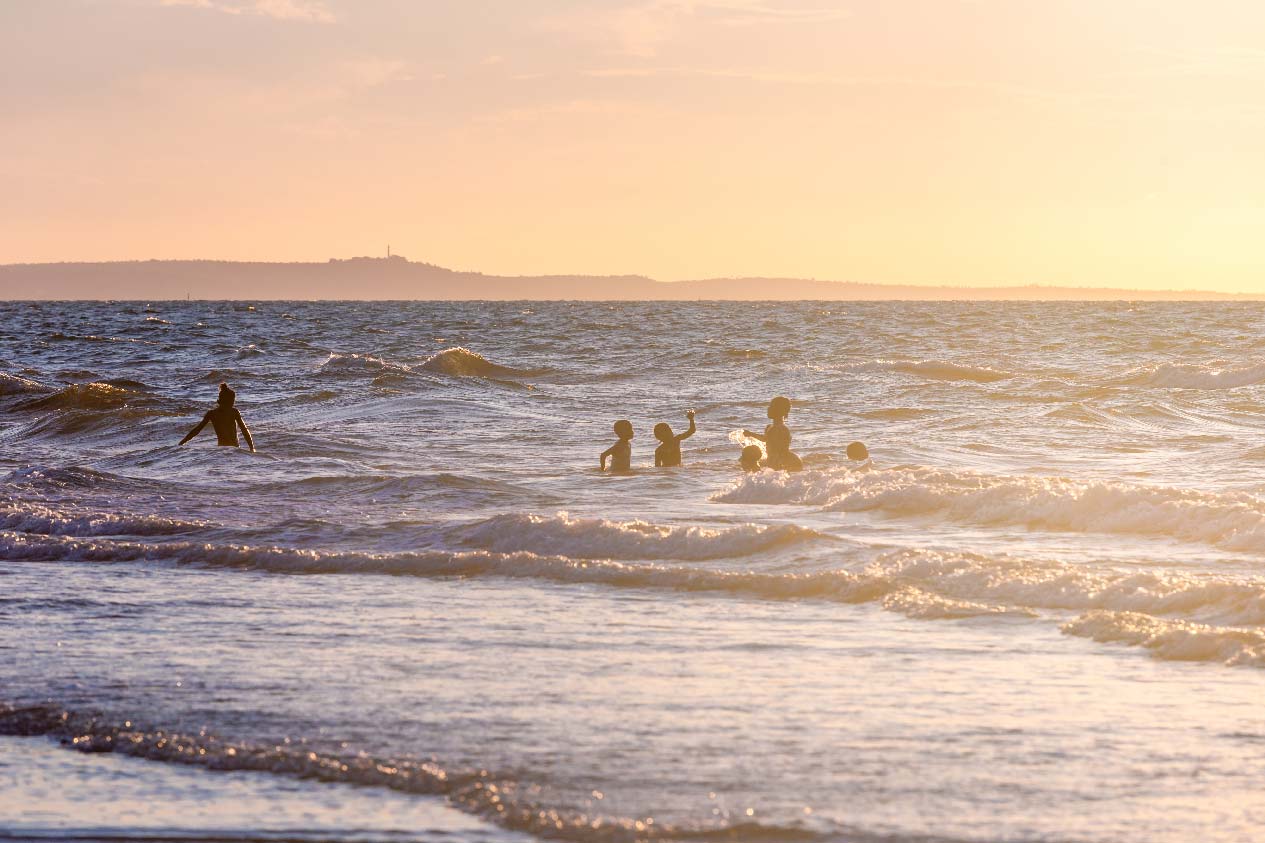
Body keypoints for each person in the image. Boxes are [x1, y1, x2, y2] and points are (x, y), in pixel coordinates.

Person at [179, 382, 255, 452]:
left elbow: (197, 430)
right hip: (234, 449)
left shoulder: (212, 413)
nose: (233, 403)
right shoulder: (233, 412)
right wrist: (252, 448)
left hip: (221, 450)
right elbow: (244, 430)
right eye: (233, 400)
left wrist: (182, 442)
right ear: (229, 401)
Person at [743, 396, 802, 472]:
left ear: (778, 410)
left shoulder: (780, 428)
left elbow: (767, 440)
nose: (768, 409)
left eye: (771, 406)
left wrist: (750, 434)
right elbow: (765, 439)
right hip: (776, 459)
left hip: (785, 460)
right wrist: (750, 434)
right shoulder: (770, 427)